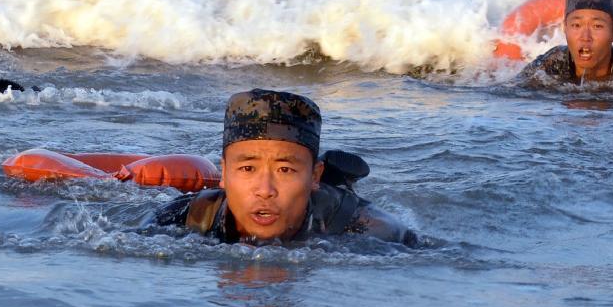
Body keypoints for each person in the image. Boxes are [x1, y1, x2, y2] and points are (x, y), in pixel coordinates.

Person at [154, 88, 417, 246]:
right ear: (223, 173)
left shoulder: (372, 229)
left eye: (285, 170)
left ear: (314, 176)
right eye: (247, 169)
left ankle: (337, 176)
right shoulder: (192, 214)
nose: (265, 190)